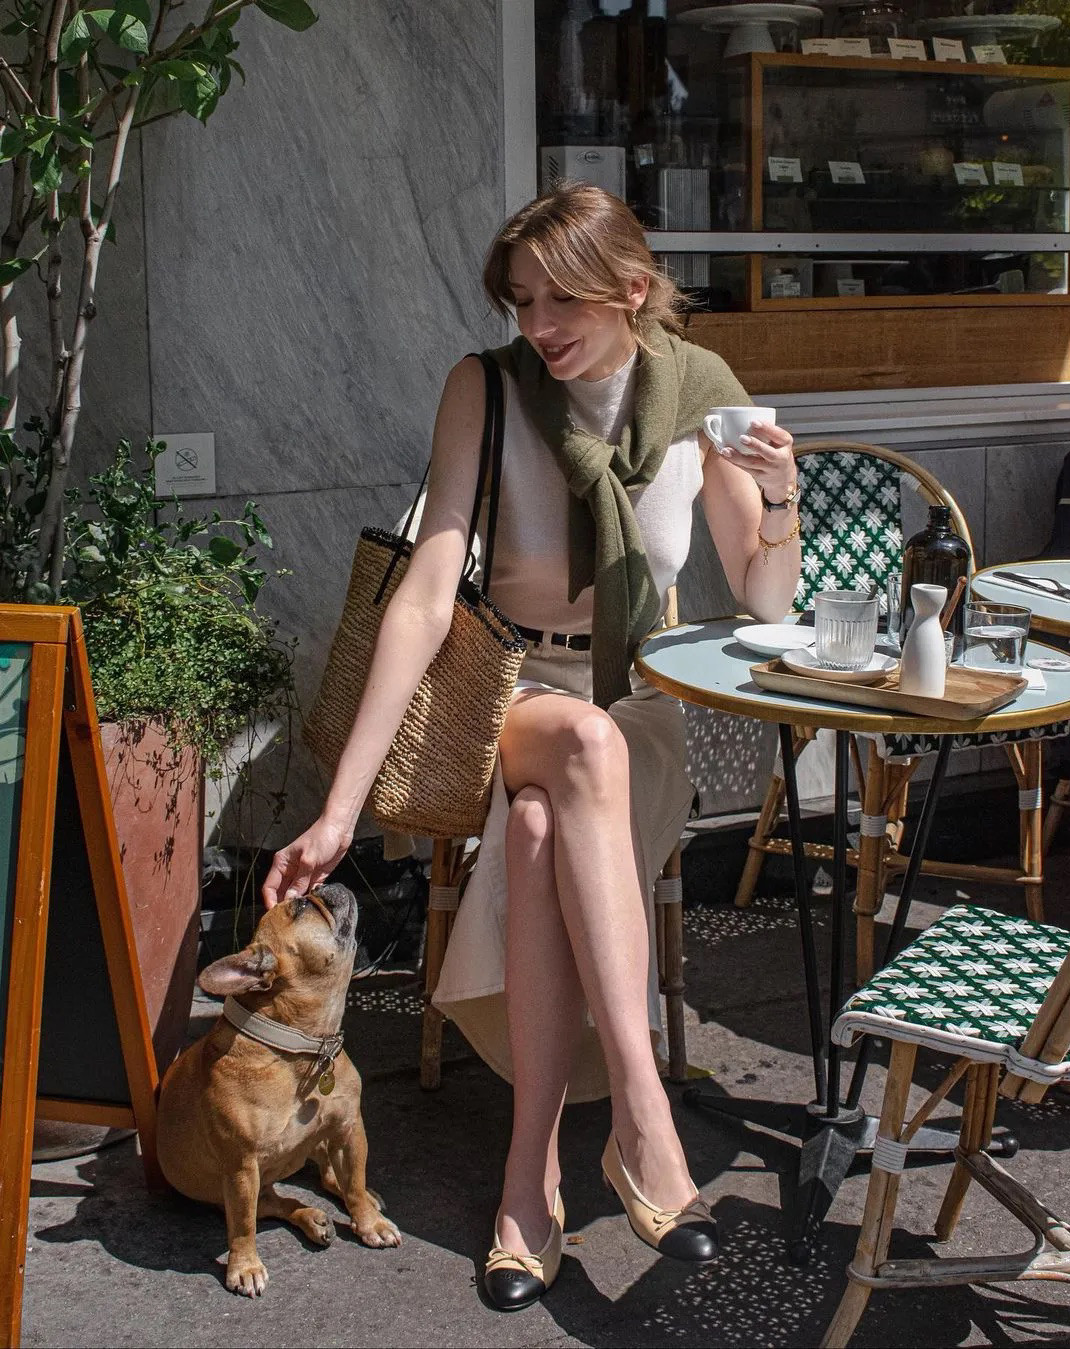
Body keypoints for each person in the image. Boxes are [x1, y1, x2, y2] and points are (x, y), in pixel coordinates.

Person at [263, 183, 800, 1310]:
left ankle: (529, 1181)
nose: (538, 323)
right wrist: (339, 809)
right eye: (522, 299)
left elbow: (762, 597)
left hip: (638, 696)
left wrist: (783, 498)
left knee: (556, 820)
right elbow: (426, 591)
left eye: (563, 299)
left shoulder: (701, 393)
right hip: (508, 687)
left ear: (632, 290)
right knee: (577, 754)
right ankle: (648, 1126)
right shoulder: (488, 387)